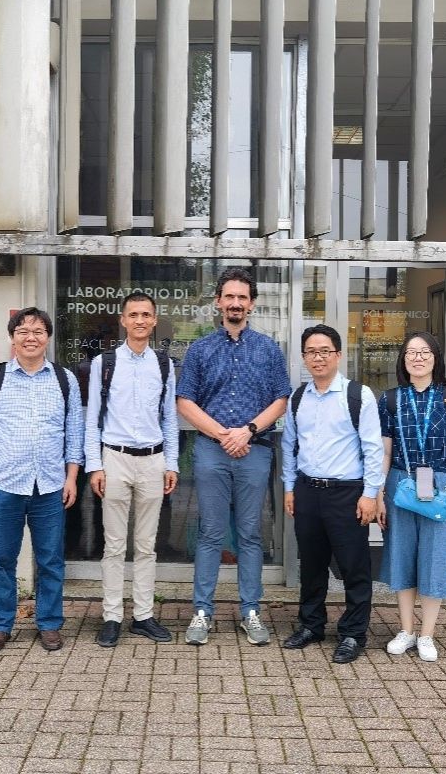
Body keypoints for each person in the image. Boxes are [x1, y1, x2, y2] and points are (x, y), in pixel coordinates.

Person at [176, 267, 291, 646]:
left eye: (242, 297)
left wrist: (248, 431)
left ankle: (250, 611)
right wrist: (223, 434)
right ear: (218, 302)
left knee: (250, 533)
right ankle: (202, 612)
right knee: (210, 532)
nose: (236, 303)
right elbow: (185, 401)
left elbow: (281, 399)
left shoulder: (268, 349)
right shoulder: (200, 349)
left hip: (254, 451)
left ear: (252, 304)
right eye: (230, 296)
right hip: (212, 450)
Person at [0, 307, 84, 653]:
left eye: (38, 331)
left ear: (48, 338)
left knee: (51, 561)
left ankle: (49, 623)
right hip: (5, 485)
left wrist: (71, 478)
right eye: (23, 331)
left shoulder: (64, 379)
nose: (31, 338)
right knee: (2, 560)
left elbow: (74, 435)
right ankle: (1, 624)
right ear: (12, 337)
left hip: (50, 486)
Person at [280, 324, 384, 664]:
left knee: (354, 566)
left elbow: (373, 449)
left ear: (338, 355)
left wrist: (370, 494)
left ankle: (353, 633)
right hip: (307, 491)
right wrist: (290, 487)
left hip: (347, 494)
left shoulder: (358, 395)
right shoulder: (298, 398)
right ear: (304, 357)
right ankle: (311, 625)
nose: (318, 357)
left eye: (325, 351)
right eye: (311, 352)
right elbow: (289, 445)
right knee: (311, 565)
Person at [85, 291, 179, 647]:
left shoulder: (164, 365)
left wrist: (171, 463)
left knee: (146, 545)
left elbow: (169, 418)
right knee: (113, 545)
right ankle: (111, 616)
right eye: (133, 315)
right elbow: (92, 418)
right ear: (123, 320)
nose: (140, 320)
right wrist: (95, 466)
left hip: (153, 460)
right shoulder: (104, 363)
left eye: (146, 315)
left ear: (154, 321)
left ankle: (143, 616)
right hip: (115, 459)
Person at [376, 331, 446, 663]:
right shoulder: (390, 399)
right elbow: (384, 452)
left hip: (441, 485)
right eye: (411, 352)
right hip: (400, 483)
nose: (418, 358)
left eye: (424, 352)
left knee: (437, 558)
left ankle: (427, 634)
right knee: (402, 555)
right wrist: (378, 494)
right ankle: (406, 630)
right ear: (403, 360)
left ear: (435, 358)